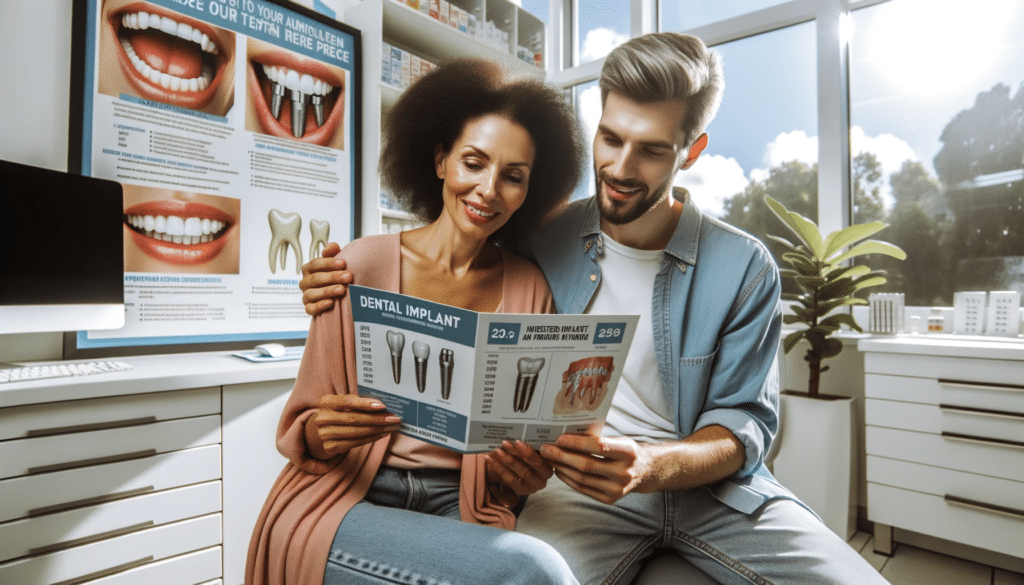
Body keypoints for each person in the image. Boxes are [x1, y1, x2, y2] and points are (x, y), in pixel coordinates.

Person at [299, 34, 891, 585]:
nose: (621, 169)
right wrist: (335, 279)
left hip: (713, 494)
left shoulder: (744, 266)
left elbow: (748, 425)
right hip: (574, 492)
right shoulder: (539, 233)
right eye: (610, 139)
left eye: (653, 150)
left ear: (692, 151)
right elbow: (449, 252)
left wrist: (652, 466)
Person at [246, 57, 585, 585]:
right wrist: (323, 430)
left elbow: (520, 448)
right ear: (440, 161)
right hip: (347, 498)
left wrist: (524, 472)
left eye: (512, 177)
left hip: (462, 502)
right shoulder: (359, 265)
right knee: (535, 571)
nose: (489, 190)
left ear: (529, 192)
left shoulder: (529, 288)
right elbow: (301, 430)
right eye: (474, 162)